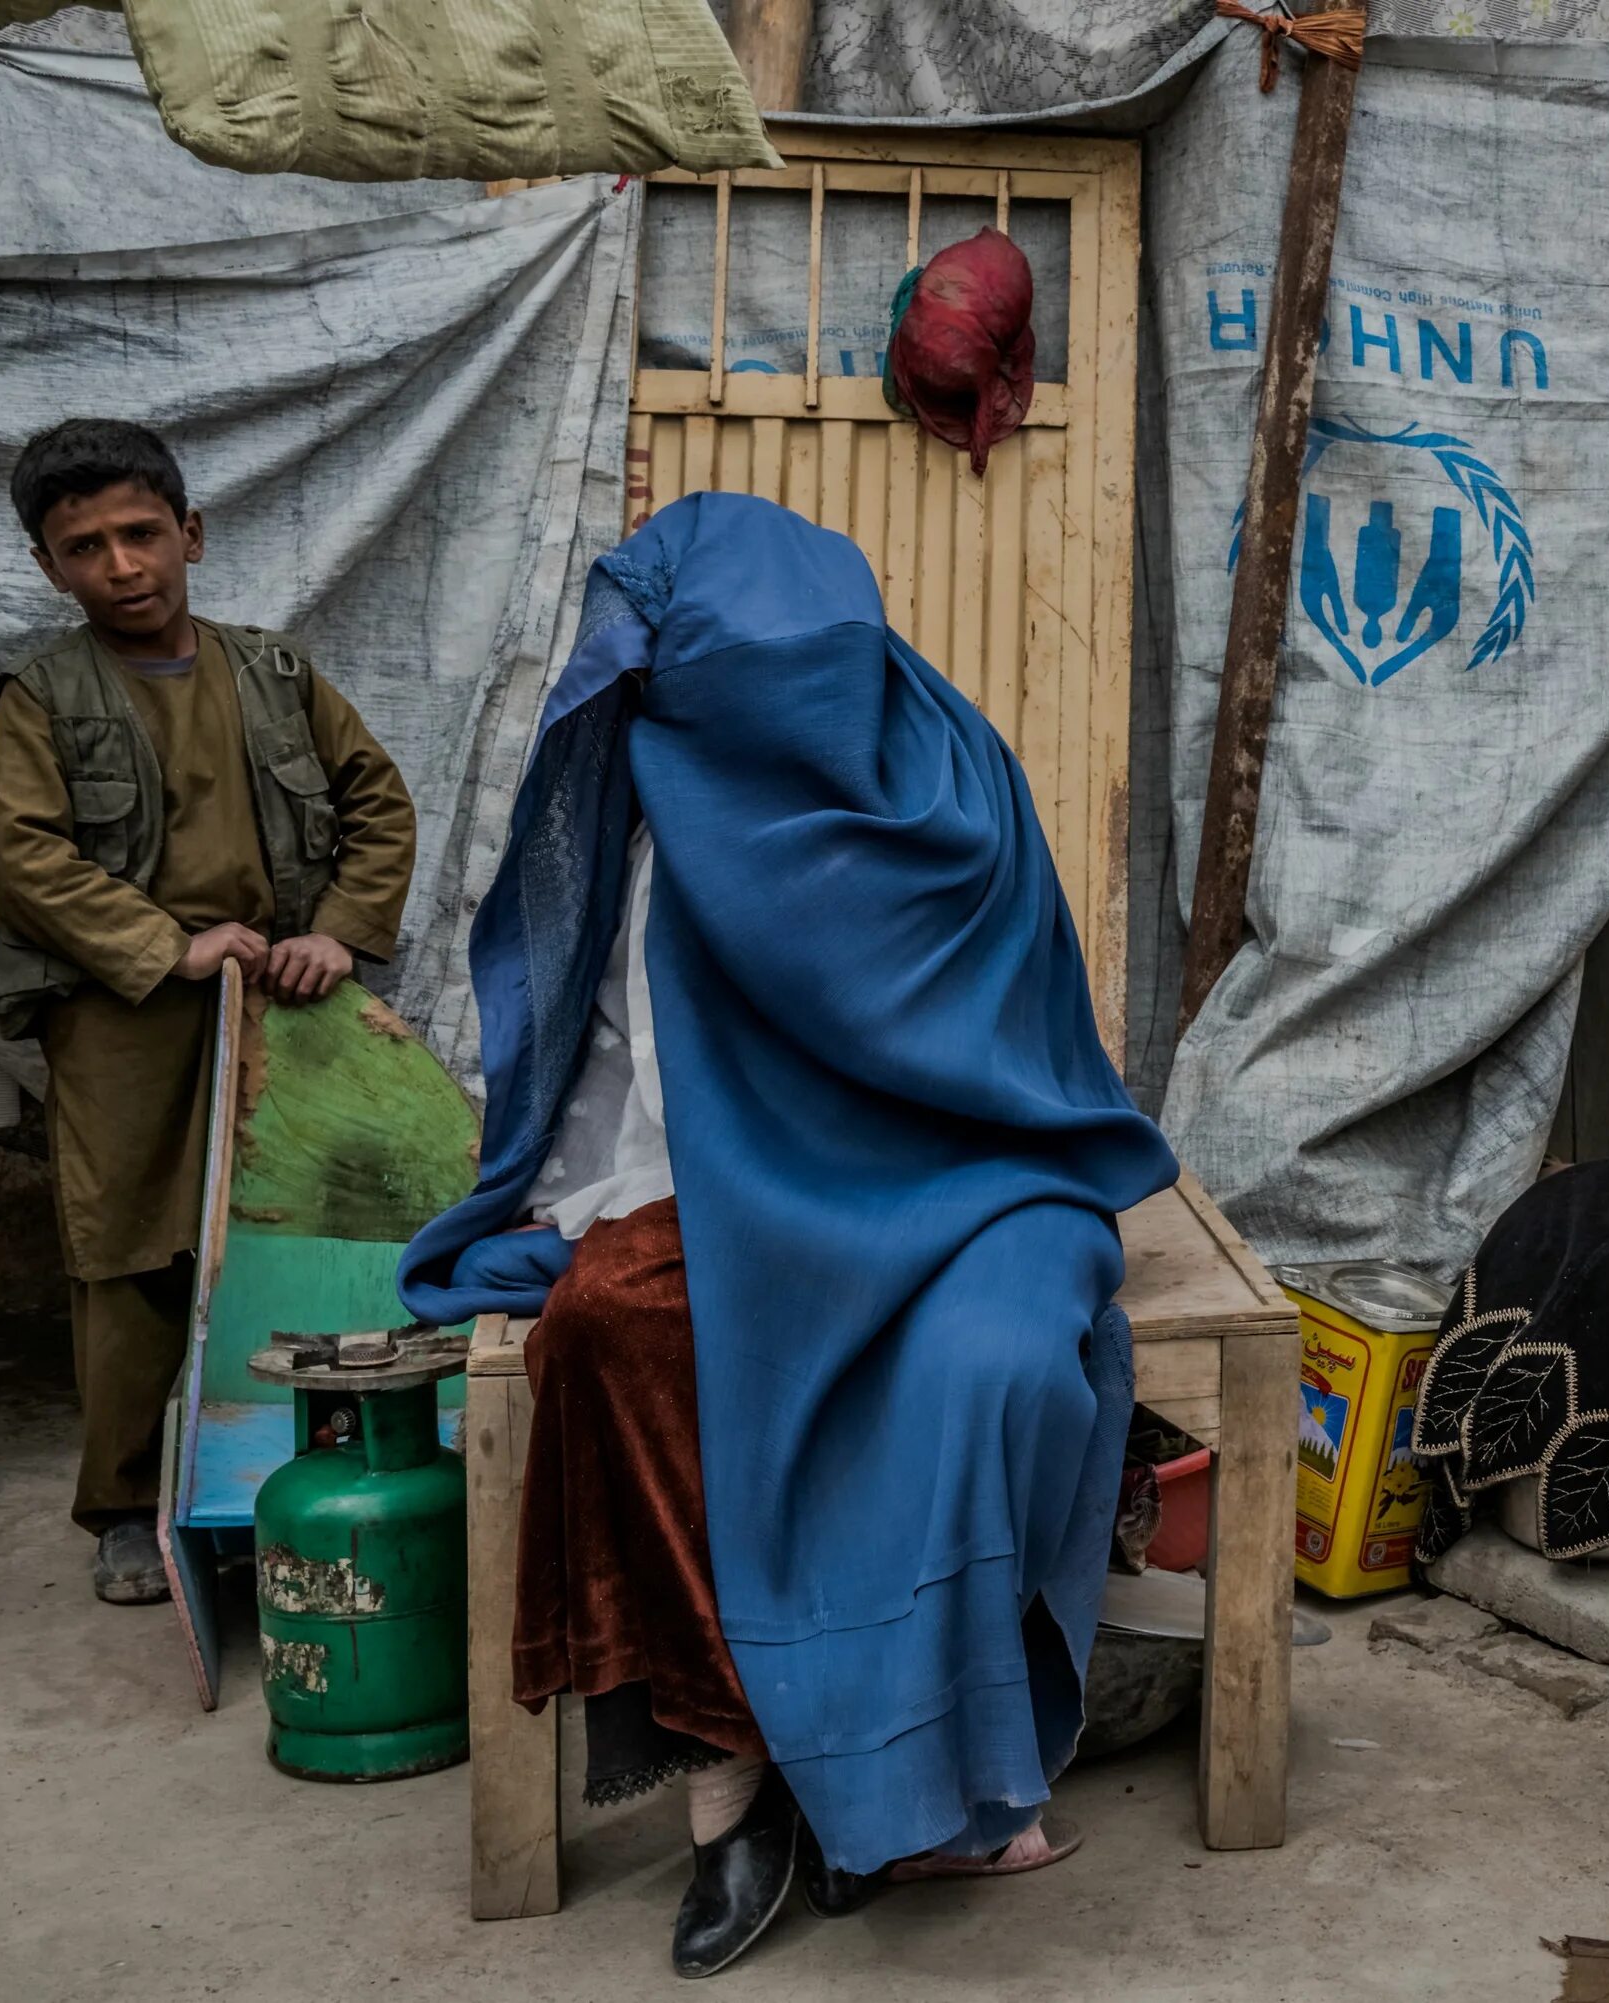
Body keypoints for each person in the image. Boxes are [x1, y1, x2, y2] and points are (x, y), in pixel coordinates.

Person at [397, 493, 1177, 1978]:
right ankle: (737, 1772)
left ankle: (907, 1761)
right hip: (726, 1179)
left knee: (997, 1365)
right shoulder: (661, 799)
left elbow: (1017, 1046)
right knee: (620, 1329)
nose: (778, 723)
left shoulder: (958, 778)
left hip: (971, 1178)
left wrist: (880, 1190)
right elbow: (626, 1076)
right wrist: (672, 1210)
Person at [0, 418, 415, 1606]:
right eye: (85, 546)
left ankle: (283, 1465)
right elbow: (20, 858)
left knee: (301, 1229)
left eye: (140, 533)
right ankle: (124, 1504)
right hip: (122, 1016)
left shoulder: (276, 673)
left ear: (191, 534)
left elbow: (380, 805)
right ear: (47, 565)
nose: (121, 565)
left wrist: (336, 930)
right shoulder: (47, 696)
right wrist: (169, 944)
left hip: (285, 1007)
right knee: (127, 1249)